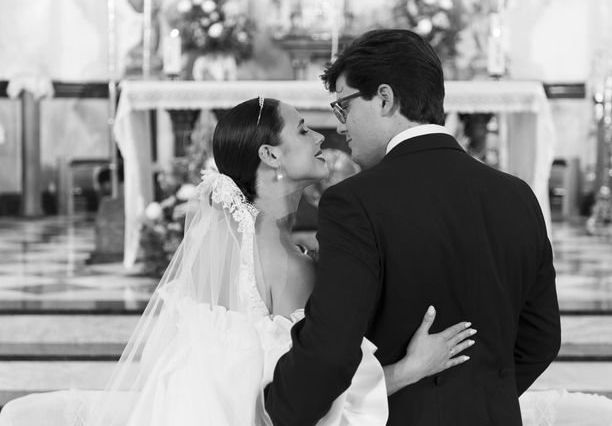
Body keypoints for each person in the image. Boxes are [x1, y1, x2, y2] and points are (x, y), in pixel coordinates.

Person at [0, 97, 475, 426]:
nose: (320, 137)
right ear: (271, 155)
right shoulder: (292, 268)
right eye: (304, 129)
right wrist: (410, 370)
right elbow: (303, 402)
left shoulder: (241, 248)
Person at [263, 28, 561, 425]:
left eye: (344, 108)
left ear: (384, 99)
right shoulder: (517, 195)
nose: (342, 127)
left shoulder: (354, 202)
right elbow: (541, 339)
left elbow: (330, 350)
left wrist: (279, 409)